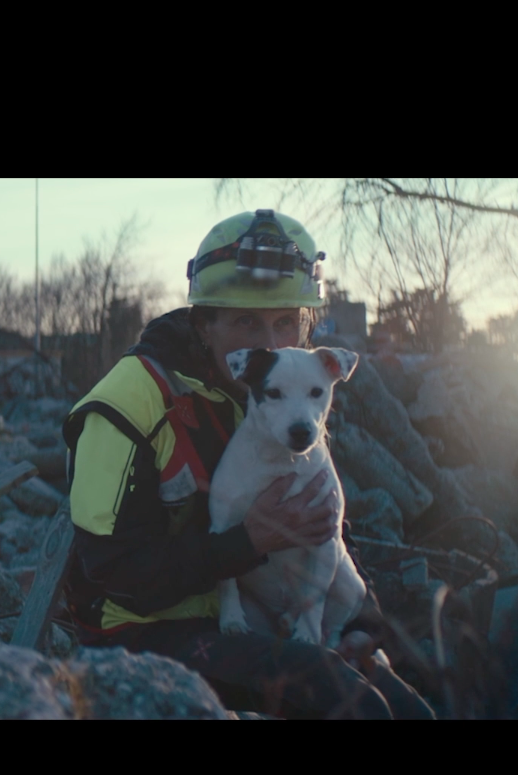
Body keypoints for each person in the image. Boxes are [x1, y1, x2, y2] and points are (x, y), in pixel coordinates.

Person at [61, 209, 434, 720]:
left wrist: (358, 623)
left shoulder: (282, 390)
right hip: (141, 634)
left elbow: (321, 525)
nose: (271, 343)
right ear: (203, 324)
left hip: (256, 614)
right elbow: (111, 572)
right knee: (352, 704)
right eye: (246, 322)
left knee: (409, 708)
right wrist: (247, 542)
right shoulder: (126, 405)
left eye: (286, 323)